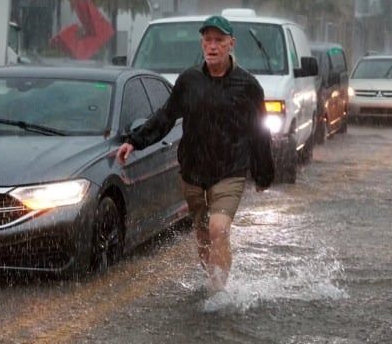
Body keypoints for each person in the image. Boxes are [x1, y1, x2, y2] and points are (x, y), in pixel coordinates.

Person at [115, 15, 274, 292]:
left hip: (230, 171)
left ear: (231, 44)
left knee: (218, 229)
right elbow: (165, 116)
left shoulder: (248, 86)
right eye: (207, 40)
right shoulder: (189, 80)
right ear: (202, 44)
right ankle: (211, 280)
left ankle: (220, 293)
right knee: (202, 235)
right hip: (193, 173)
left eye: (219, 41)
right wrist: (135, 141)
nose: (212, 46)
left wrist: (263, 174)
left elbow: (260, 133)